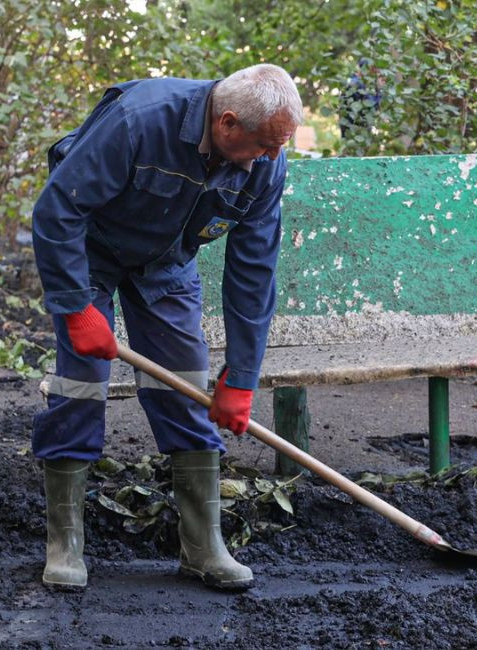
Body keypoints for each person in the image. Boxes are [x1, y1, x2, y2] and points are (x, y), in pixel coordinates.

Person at [30, 64, 301, 591]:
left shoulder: (265, 164)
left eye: (278, 146)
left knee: (185, 381)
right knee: (81, 382)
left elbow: (254, 271)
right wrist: (75, 306)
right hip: (89, 254)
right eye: (266, 145)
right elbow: (58, 210)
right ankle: (65, 543)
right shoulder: (139, 120)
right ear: (226, 124)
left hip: (166, 263)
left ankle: (203, 547)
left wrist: (241, 375)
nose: (273, 157)